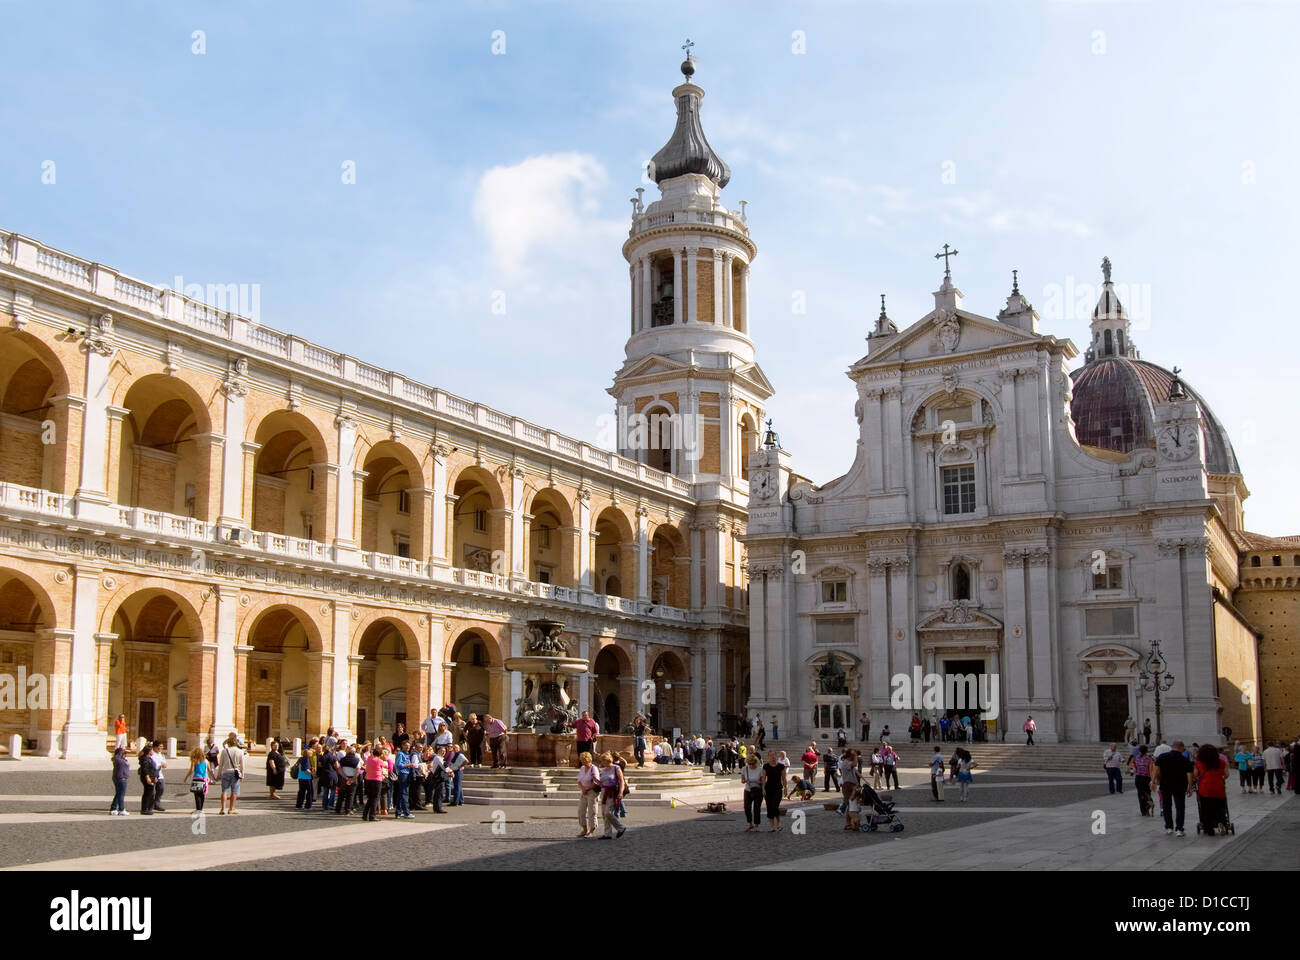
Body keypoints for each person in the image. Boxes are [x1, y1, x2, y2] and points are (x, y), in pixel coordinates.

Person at [1152, 739, 1193, 837]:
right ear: (1181, 748)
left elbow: (1156, 770)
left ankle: (1169, 827)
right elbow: (1189, 774)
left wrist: (1152, 781)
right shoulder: (1185, 759)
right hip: (1180, 785)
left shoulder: (1162, 757)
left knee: (1166, 806)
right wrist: (1190, 787)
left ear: (1172, 747)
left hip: (1165, 785)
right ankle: (1179, 829)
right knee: (1180, 807)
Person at [1194, 743, 1231, 836]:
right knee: (1220, 808)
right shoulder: (1222, 762)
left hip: (1205, 789)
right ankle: (1222, 822)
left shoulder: (1199, 763)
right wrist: (1220, 778)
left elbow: (1195, 775)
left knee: (1206, 809)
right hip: (1218, 788)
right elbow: (1226, 775)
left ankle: (1209, 828)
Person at [598, 752, 627, 839]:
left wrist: (621, 792)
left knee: (608, 812)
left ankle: (620, 827)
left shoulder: (616, 768)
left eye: (602, 761)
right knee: (604, 813)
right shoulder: (602, 770)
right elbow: (600, 781)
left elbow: (622, 781)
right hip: (604, 792)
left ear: (607, 760)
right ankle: (607, 833)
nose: (602, 762)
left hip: (612, 792)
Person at [217, 732, 244, 815]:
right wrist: (242, 775)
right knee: (234, 791)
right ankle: (231, 808)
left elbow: (220, 764)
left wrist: (218, 774)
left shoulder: (224, 751)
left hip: (225, 772)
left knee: (224, 791)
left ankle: (222, 809)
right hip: (235, 772)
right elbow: (242, 764)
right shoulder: (240, 751)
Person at [576, 751, 601, 837]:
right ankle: (584, 829)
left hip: (592, 792)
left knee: (592, 811)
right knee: (581, 811)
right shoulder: (582, 768)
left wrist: (587, 788)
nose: (583, 762)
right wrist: (583, 789)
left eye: (584, 760)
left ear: (589, 760)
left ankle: (591, 830)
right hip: (584, 791)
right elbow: (579, 780)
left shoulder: (594, 768)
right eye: (582, 760)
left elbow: (596, 782)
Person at [760, 750, 786, 832]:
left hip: (778, 788)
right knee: (769, 807)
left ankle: (778, 822)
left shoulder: (781, 766)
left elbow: (784, 778)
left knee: (775, 806)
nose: (773, 757)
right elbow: (763, 779)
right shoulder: (766, 766)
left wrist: (785, 788)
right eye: (771, 755)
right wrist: (763, 789)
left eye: (774, 755)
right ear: (768, 757)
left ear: (776, 756)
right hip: (768, 789)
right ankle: (772, 826)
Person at [741, 752, 764, 832]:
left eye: (753, 763)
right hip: (748, 790)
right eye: (749, 763)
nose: (751, 765)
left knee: (756, 808)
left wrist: (759, 782)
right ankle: (750, 824)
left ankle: (756, 825)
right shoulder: (744, 769)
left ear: (756, 762)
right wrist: (746, 781)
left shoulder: (760, 769)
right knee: (746, 807)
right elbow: (742, 780)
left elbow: (764, 781)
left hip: (758, 790)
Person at [1130, 744, 1154, 816]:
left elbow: (1133, 767)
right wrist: (1152, 780)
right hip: (1146, 778)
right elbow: (1151, 770)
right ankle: (1149, 804)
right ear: (1146, 751)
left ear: (1140, 751)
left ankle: (1143, 811)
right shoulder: (1149, 759)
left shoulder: (1136, 758)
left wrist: (1133, 771)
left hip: (1138, 778)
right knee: (1147, 793)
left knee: (1140, 794)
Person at [362, 745, 386, 821]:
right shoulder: (379, 761)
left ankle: (365, 815)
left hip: (368, 779)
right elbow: (386, 765)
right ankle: (372, 816)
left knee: (370, 798)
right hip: (377, 780)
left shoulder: (369, 759)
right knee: (375, 798)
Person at [838, 750, 860, 828]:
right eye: (853, 755)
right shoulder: (846, 762)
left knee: (851, 804)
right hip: (848, 785)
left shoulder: (848, 762)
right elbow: (855, 763)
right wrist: (855, 756)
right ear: (850, 756)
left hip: (853, 784)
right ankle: (848, 823)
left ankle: (851, 823)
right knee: (849, 804)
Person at [185, 747, 210, 812]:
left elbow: (191, 770)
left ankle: (198, 808)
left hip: (197, 778)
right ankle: (201, 808)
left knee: (197, 794)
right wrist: (214, 778)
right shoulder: (206, 761)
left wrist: (186, 777)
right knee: (202, 794)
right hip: (204, 778)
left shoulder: (195, 760)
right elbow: (209, 770)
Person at [138, 742, 158, 815]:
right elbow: (145, 769)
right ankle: (145, 809)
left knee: (151, 792)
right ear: (149, 752)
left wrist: (155, 776)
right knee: (148, 793)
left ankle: (148, 808)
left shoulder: (149, 758)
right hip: (147, 777)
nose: (153, 751)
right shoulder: (145, 759)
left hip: (152, 777)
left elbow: (153, 768)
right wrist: (148, 777)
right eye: (152, 750)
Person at [109, 745, 130, 816]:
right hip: (120, 778)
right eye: (124, 753)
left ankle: (113, 808)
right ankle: (121, 809)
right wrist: (120, 751)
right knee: (121, 794)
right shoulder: (118, 759)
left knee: (118, 794)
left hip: (122, 778)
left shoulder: (122, 760)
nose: (125, 755)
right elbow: (116, 758)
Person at [295, 744, 316, 810]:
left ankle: (299, 804)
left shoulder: (300, 759)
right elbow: (305, 769)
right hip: (306, 777)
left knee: (301, 791)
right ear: (308, 754)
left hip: (300, 777)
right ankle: (308, 805)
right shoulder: (306, 759)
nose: (312, 754)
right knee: (309, 791)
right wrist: (312, 773)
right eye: (311, 753)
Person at [149, 741, 168, 812]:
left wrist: (164, 765)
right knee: (151, 791)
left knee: (161, 789)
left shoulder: (161, 755)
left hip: (160, 775)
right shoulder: (151, 754)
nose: (161, 748)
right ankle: (150, 805)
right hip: (152, 775)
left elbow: (164, 763)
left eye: (162, 747)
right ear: (155, 747)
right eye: (160, 746)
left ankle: (157, 803)